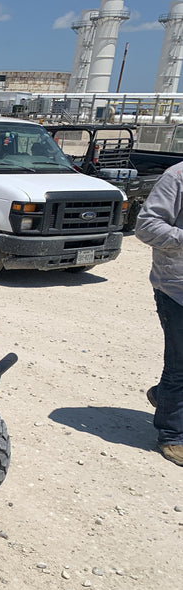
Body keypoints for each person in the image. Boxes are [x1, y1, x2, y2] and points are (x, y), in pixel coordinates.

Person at [135, 160, 183, 465]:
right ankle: (172, 436)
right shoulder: (176, 177)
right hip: (177, 289)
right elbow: (147, 225)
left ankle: (165, 397)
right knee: (180, 365)